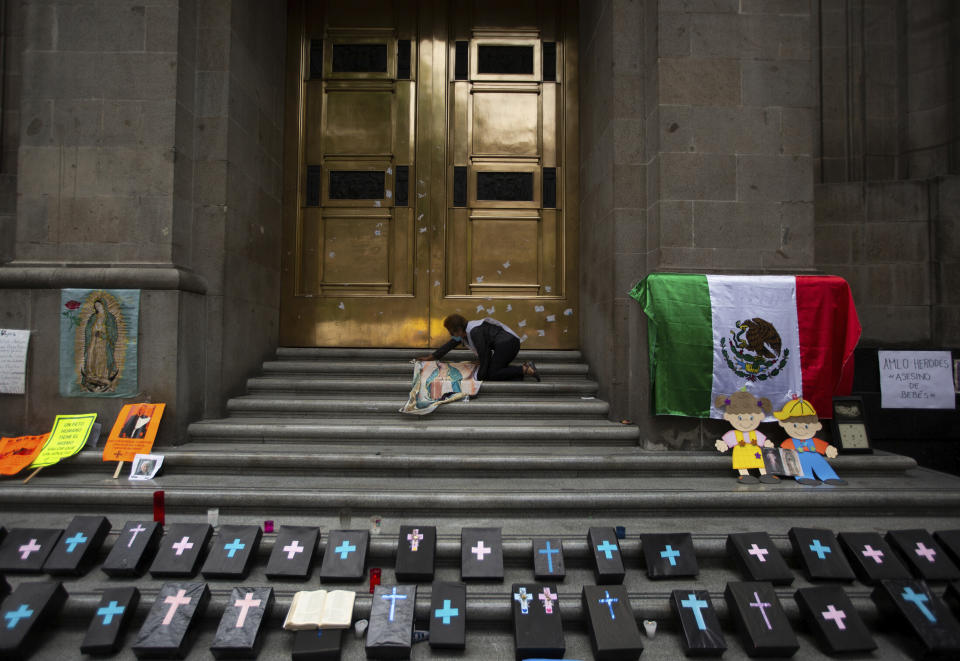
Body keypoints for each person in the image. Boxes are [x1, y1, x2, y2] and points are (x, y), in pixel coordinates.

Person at [418, 314, 540, 381]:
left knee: (490, 374)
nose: (451, 335)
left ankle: (525, 369)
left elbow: (484, 353)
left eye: (451, 332)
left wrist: (479, 377)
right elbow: (449, 345)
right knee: (491, 372)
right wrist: (431, 357)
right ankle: (519, 373)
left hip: (508, 344)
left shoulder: (475, 331)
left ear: (458, 330)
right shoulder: (463, 333)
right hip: (505, 345)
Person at [775, 396, 846, 486]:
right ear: (783, 423)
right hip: (798, 458)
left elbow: (824, 447)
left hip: (815, 456)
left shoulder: (814, 441)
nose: (801, 429)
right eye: (795, 425)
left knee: (820, 463)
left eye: (806, 426)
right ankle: (805, 477)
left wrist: (829, 449)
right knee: (802, 463)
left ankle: (830, 477)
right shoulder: (789, 442)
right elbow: (782, 451)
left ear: (817, 426)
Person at [714, 389, 779, 484]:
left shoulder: (756, 433)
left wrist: (766, 443)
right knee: (742, 463)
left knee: (760, 462)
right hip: (741, 453)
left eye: (751, 417)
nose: (745, 422)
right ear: (729, 416)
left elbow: (764, 441)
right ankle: (745, 475)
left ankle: (765, 474)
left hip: (755, 453)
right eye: (740, 418)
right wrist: (722, 444)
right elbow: (726, 442)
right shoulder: (734, 434)